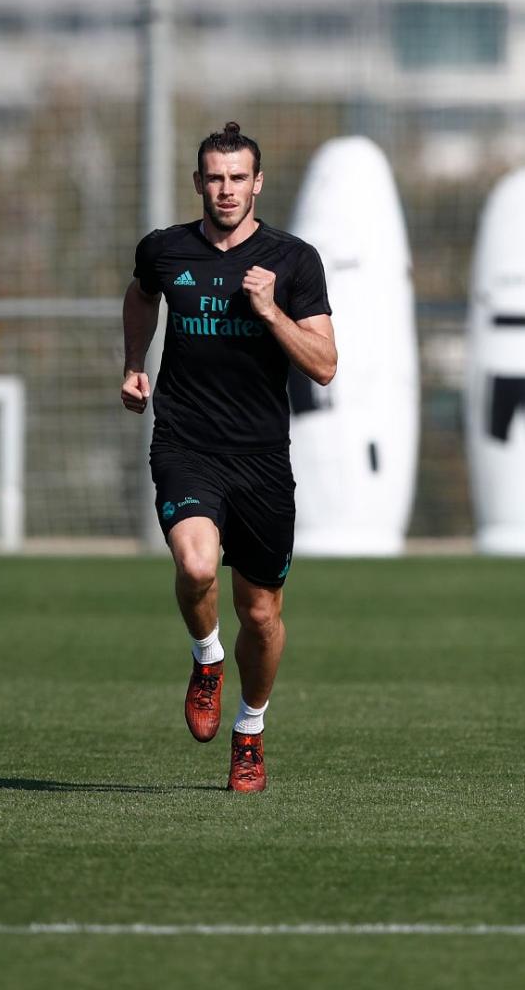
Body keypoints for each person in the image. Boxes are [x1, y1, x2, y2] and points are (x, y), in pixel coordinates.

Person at [120, 122, 336, 792]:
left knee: (262, 614)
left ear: (258, 183)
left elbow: (324, 364)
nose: (226, 190)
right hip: (186, 444)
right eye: (215, 177)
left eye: (238, 177)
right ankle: (208, 658)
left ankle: (250, 729)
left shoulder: (293, 261)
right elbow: (141, 293)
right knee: (194, 565)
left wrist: (270, 312)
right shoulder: (164, 250)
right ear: (198, 182)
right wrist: (133, 363)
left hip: (262, 459)